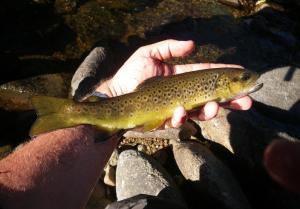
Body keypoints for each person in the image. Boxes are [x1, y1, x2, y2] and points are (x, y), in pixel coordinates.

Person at [0, 39, 258, 209]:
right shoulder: (215, 82)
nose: (249, 80)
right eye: (243, 78)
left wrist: (112, 92)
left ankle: (73, 113)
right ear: (223, 83)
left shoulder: (217, 83)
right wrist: (114, 91)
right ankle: (71, 113)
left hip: (135, 106)